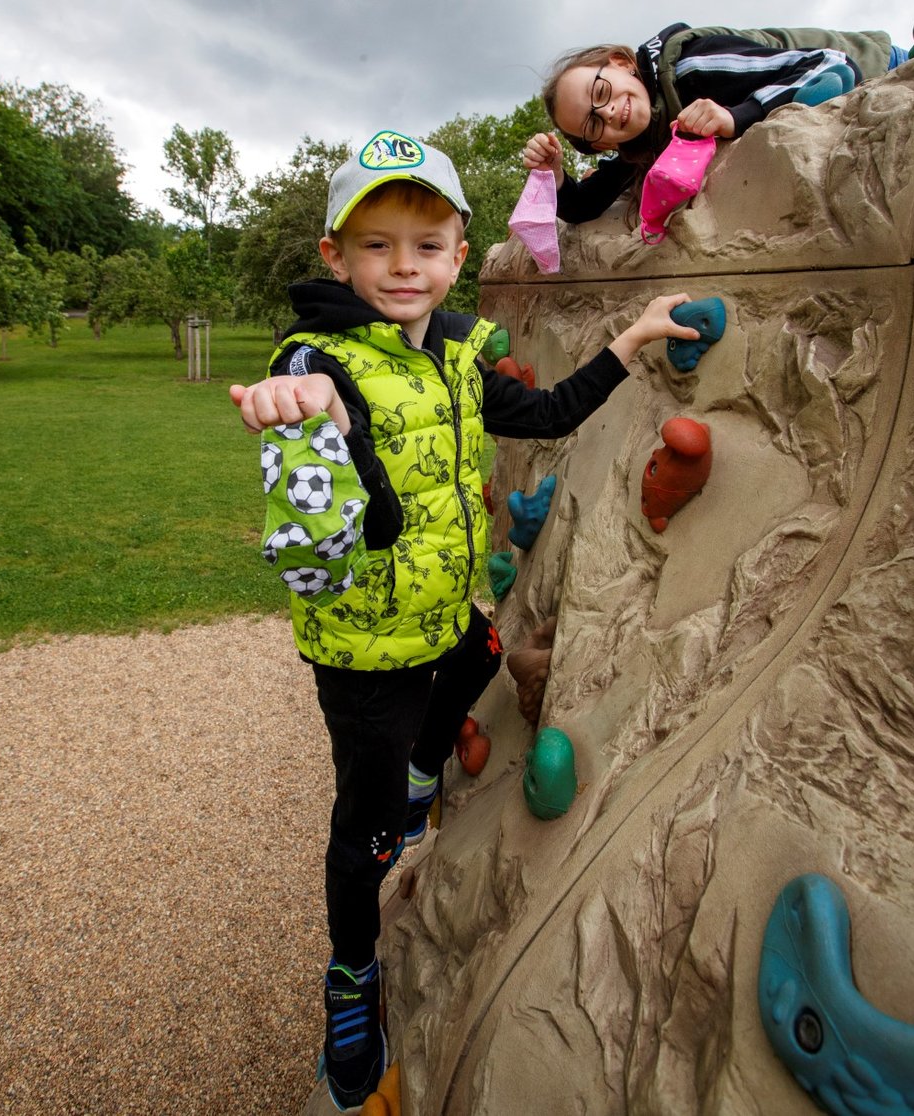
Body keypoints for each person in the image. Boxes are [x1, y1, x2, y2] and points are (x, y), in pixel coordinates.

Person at [229, 130, 701, 1111]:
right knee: (364, 835)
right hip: (364, 648)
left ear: (455, 251)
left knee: (484, 646)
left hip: (444, 613)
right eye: (378, 245)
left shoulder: (454, 354)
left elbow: (545, 414)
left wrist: (631, 339)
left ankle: (416, 774)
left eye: (428, 245)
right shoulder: (324, 356)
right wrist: (297, 397)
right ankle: (351, 977)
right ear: (336, 257)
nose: (405, 266)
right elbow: (309, 388)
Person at [521, 22, 909, 224]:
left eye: (601, 92)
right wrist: (554, 174)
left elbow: (831, 65)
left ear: (622, 64)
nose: (606, 113)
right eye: (592, 126)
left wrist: (735, 116)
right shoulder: (643, 137)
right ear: (602, 145)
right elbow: (585, 206)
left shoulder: (689, 68)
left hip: (883, 64)